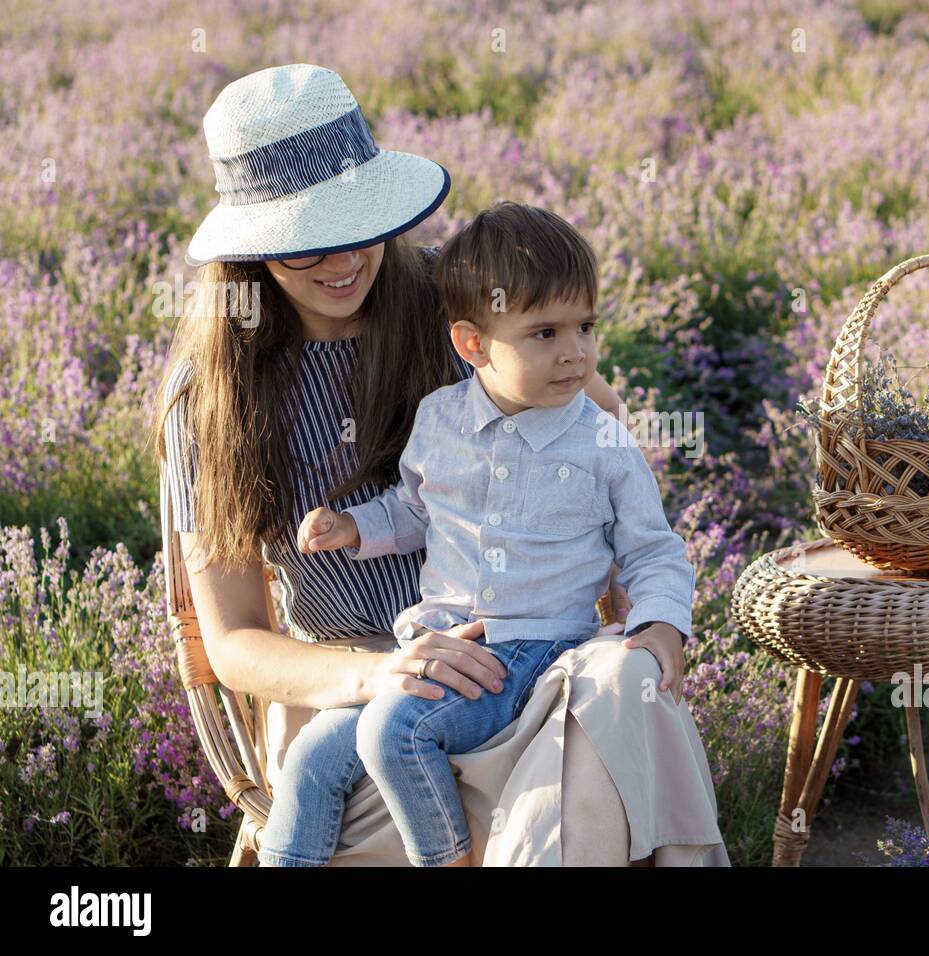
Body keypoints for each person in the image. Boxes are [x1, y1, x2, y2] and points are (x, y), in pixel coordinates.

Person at [153, 63, 728, 865]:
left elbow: (600, 434)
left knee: (620, 690)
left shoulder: (458, 307)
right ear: (251, 250)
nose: (343, 261)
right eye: (301, 246)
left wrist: (638, 608)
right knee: (564, 793)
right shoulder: (212, 393)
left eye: (359, 225)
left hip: (531, 659)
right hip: (361, 702)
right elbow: (236, 641)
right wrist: (381, 676)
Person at [258, 202, 697, 867]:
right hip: (440, 644)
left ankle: (447, 858)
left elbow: (654, 550)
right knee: (314, 759)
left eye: (586, 326)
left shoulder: (600, 440)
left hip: (534, 654)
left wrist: (663, 622)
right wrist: (354, 527)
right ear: (472, 345)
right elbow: (414, 510)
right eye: (544, 333)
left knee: (392, 733)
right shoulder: (441, 419)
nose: (575, 352)